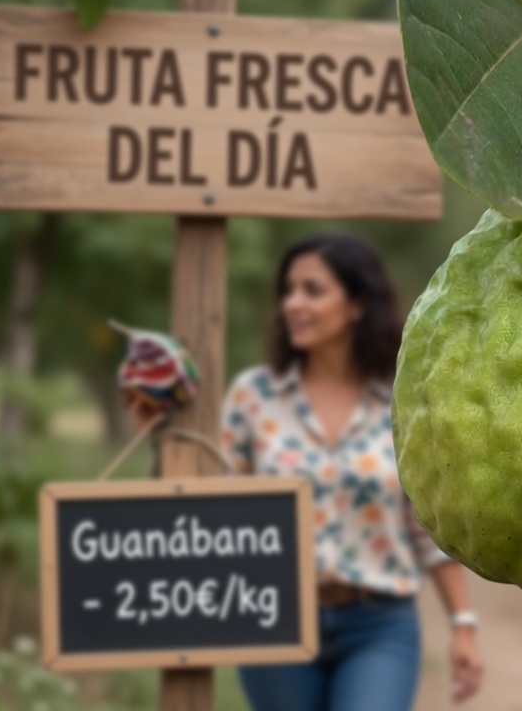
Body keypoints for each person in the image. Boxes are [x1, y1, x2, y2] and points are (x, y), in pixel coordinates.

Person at [138, 232, 484, 711]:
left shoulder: (400, 401)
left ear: (357, 304)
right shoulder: (254, 397)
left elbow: (426, 522)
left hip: (379, 624)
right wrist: (160, 434)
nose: (292, 303)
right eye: (288, 290)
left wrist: (463, 623)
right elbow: (208, 506)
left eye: (312, 290)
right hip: (272, 618)